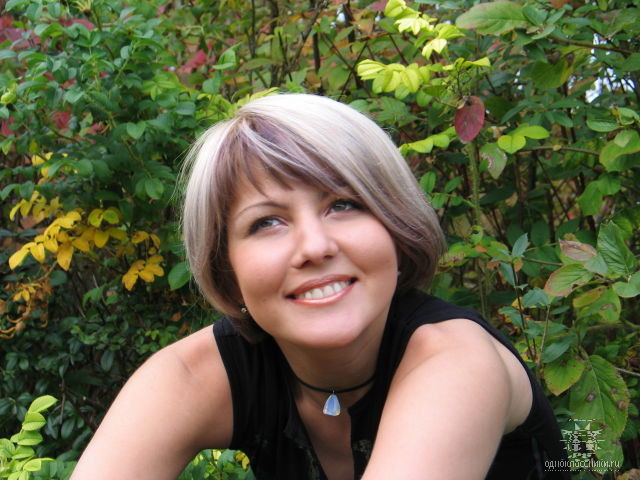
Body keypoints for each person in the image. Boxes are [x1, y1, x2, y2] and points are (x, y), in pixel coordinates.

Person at [71, 93, 569, 480]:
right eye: (266, 222)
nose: (314, 246)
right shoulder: (194, 374)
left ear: (396, 227)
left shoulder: (455, 361)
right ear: (227, 273)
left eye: (343, 204)